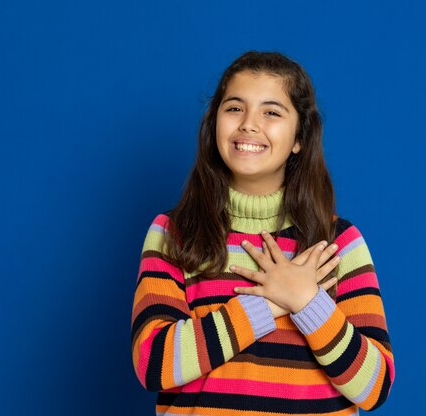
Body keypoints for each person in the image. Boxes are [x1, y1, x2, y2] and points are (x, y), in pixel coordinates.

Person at [131, 50, 395, 415]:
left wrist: (307, 301)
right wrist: (270, 302)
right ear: (214, 124)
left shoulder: (338, 244)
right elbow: (153, 364)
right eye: (235, 108)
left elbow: (373, 386)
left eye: (271, 112)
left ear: (299, 137)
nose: (249, 125)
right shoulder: (172, 234)